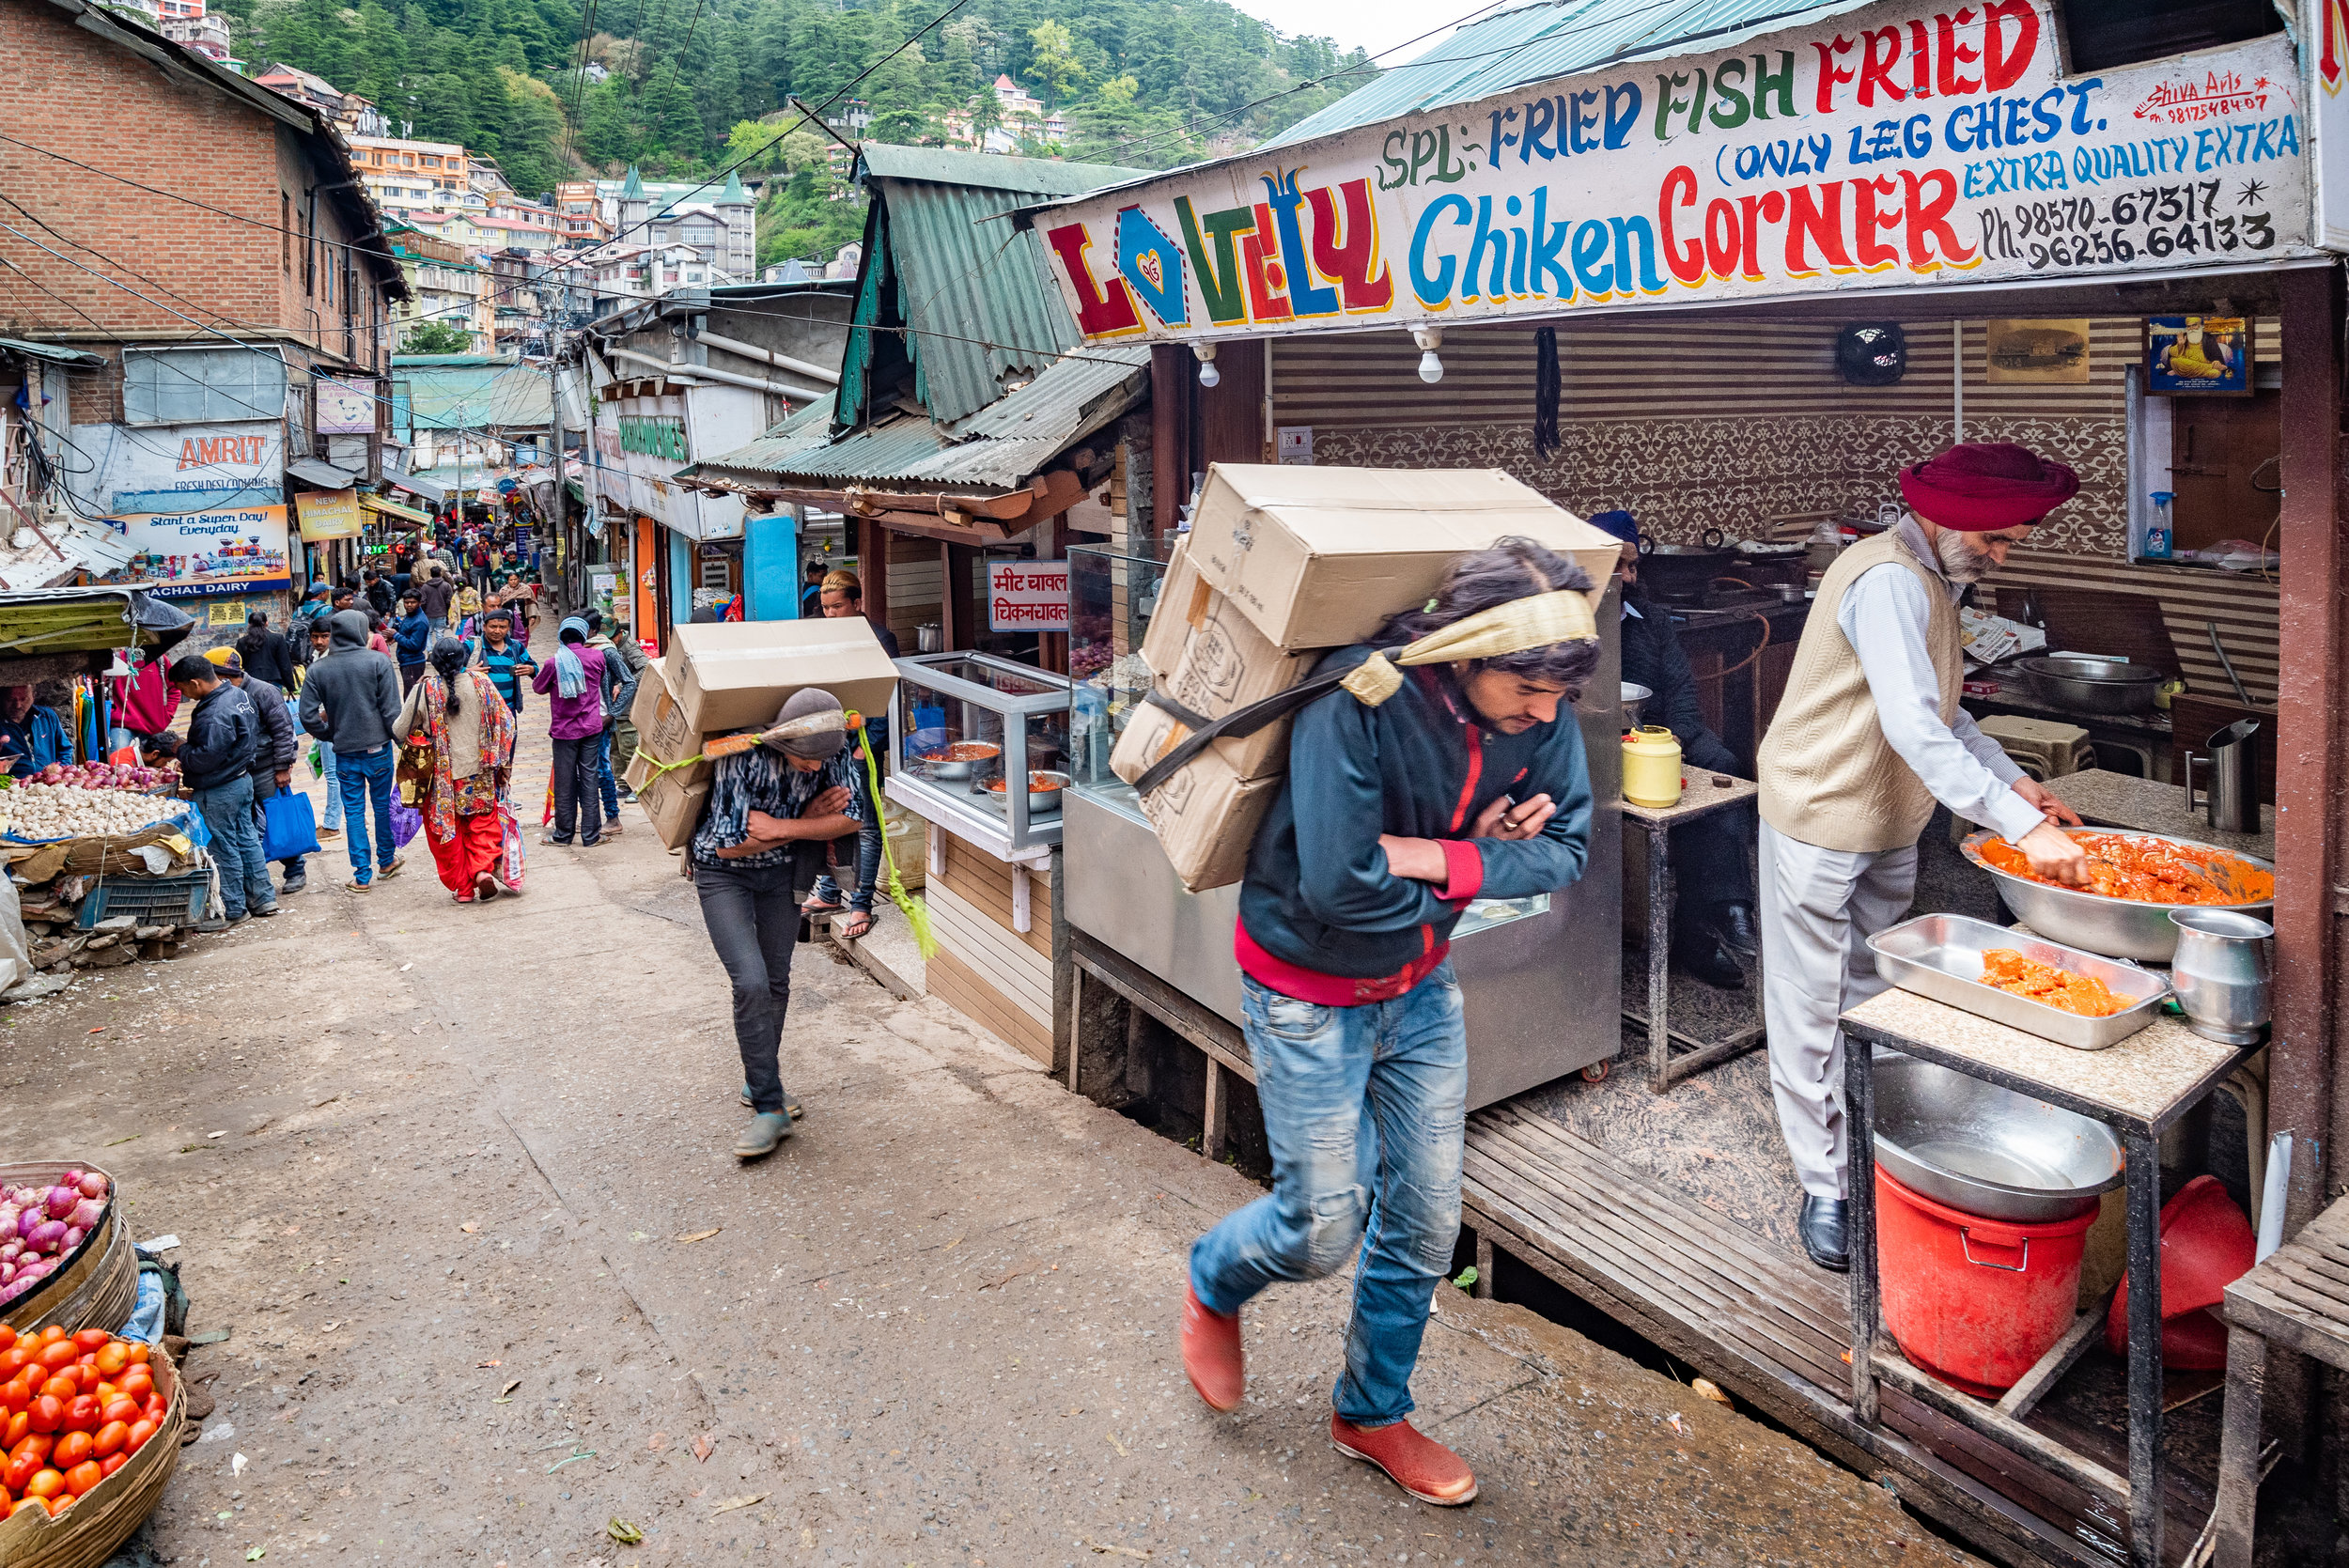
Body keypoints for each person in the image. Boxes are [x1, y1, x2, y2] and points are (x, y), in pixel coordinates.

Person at [1180, 538, 1599, 1507]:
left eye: (1558, 695)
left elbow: (1568, 846)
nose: (1545, 714)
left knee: (1422, 1220)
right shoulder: (1354, 699)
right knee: (1324, 1226)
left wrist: (1434, 859)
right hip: (1304, 989)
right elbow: (1336, 887)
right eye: (1529, 687)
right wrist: (1468, 858)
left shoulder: (1544, 713)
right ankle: (1213, 1276)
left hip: (1420, 986)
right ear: (1466, 650)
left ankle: (1370, 1411)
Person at [1755, 442, 2091, 1273]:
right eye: (1998, 540)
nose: (2003, 555)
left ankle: (1874, 1144)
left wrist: (2021, 786)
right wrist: (2020, 828)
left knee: (1870, 989)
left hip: (1886, 821)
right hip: (1821, 814)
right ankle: (1825, 1182)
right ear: (1951, 520)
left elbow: (1947, 715)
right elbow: (1912, 727)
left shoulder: (1936, 578)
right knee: (1808, 1004)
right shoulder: (1889, 581)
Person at [689, 688, 865, 1159]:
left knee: (776, 981)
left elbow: (853, 817)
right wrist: (809, 821)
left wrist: (782, 827)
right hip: (722, 875)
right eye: (806, 761)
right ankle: (771, 1107)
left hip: (785, 874)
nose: (815, 769)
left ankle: (758, 1082)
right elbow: (727, 844)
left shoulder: (833, 747)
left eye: (822, 762)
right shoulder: (741, 755)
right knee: (749, 982)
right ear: (783, 742)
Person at [1586, 510, 1756, 989]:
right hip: (1599, 743)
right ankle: (1717, 917)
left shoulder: (1652, 621)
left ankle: (1718, 914)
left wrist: (1674, 741)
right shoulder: (1573, 624)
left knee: (1720, 766)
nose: (1628, 577)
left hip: (1660, 735)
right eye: (1618, 566)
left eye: (1633, 567)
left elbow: (1681, 688)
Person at [803, 570, 897, 939]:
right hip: (828, 747)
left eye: (837, 606)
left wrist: (864, 747)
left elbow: (887, 697)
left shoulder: (880, 638)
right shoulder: (823, 636)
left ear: (857, 604)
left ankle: (862, 903)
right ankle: (829, 892)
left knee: (867, 827)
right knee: (827, 819)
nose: (830, 614)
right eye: (825, 608)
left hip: (861, 750)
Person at [150, 655, 273, 924]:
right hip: (241, 780)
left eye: (183, 689)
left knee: (223, 845)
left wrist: (179, 748)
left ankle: (233, 908)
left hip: (220, 787)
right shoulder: (238, 696)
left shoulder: (213, 715)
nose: (184, 695)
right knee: (247, 840)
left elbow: (202, 759)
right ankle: (263, 899)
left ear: (195, 683)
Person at [396, 635, 517, 904]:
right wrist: (504, 763)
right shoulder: (482, 683)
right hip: (480, 772)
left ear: (434, 662)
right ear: (464, 659)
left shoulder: (423, 690)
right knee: (482, 824)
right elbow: (507, 722)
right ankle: (482, 870)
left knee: (447, 834)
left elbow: (399, 730)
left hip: (441, 780)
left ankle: (463, 889)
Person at [298, 609, 406, 892]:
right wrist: (401, 743)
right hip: (378, 749)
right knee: (382, 807)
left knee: (354, 812)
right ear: (360, 631)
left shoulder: (318, 669)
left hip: (344, 751)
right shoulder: (378, 662)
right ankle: (386, 860)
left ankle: (361, 875)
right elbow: (392, 711)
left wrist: (331, 734)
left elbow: (308, 717)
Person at [205, 647, 307, 896]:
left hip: (267, 768)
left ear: (223, 675)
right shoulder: (223, 695)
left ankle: (295, 869)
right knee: (247, 824)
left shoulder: (263, 691)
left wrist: (283, 766)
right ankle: (254, 876)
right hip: (239, 771)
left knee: (278, 819)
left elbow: (283, 730)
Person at [534, 616, 610, 848]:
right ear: (585, 635)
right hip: (591, 727)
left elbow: (538, 688)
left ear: (561, 637)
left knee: (565, 782)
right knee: (589, 778)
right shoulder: (597, 657)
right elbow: (601, 679)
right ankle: (591, 835)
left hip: (564, 731)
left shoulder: (553, 663)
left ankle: (563, 834)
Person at [583, 612, 645, 817]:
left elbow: (645, 667)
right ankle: (622, 783)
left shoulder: (629, 646)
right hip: (610, 706)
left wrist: (622, 683)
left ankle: (638, 786)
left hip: (627, 705)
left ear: (618, 633)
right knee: (614, 748)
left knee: (629, 745)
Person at [305, 616, 343, 842]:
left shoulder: (333, 659)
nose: (319, 641)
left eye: (324, 637)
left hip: (329, 723)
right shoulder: (317, 657)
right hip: (326, 722)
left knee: (332, 775)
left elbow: (335, 696)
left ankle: (331, 824)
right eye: (315, 637)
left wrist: (320, 718)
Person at [470, 608, 534, 717]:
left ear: (508, 628)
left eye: (502, 627)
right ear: (484, 627)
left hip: (508, 707)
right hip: (481, 709)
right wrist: (468, 671)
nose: (497, 631)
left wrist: (531, 669)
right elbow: (450, 668)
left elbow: (533, 666)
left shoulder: (515, 646)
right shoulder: (472, 646)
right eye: (493, 627)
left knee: (510, 734)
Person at [0, 686, 68, 780]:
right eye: (11, 699)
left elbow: (65, 749)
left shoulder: (47, 716)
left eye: (24, 699)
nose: (18, 705)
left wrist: (60, 773)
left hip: (47, 785)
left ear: (33, 697)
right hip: (12, 789)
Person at [235, 611, 298, 690]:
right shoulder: (277, 639)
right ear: (266, 623)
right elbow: (284, 665)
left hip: (251, 683)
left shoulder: (242, 642)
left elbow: (238, 664)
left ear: (249, 624)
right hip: (273, 682)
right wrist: (290, 686)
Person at [394, 590, 431, 691]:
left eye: (413, 602)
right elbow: (406, 632)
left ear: (419, 603)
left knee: (411, 695)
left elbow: (414, 645)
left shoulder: (420, 622)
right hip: (405, 661)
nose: (409, 605)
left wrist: (396, 636)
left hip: (413, 663)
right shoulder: (409, 616)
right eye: (406, 602)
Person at [417, 565, 457, 633]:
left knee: (428, 633)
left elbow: (422, 602)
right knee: (440, 633)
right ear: (440, 573)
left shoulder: (425, 587)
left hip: (428, 614)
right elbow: (449, 601)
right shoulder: (446, 585)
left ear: (431, 574)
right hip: (442, 613)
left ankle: (429, 645)